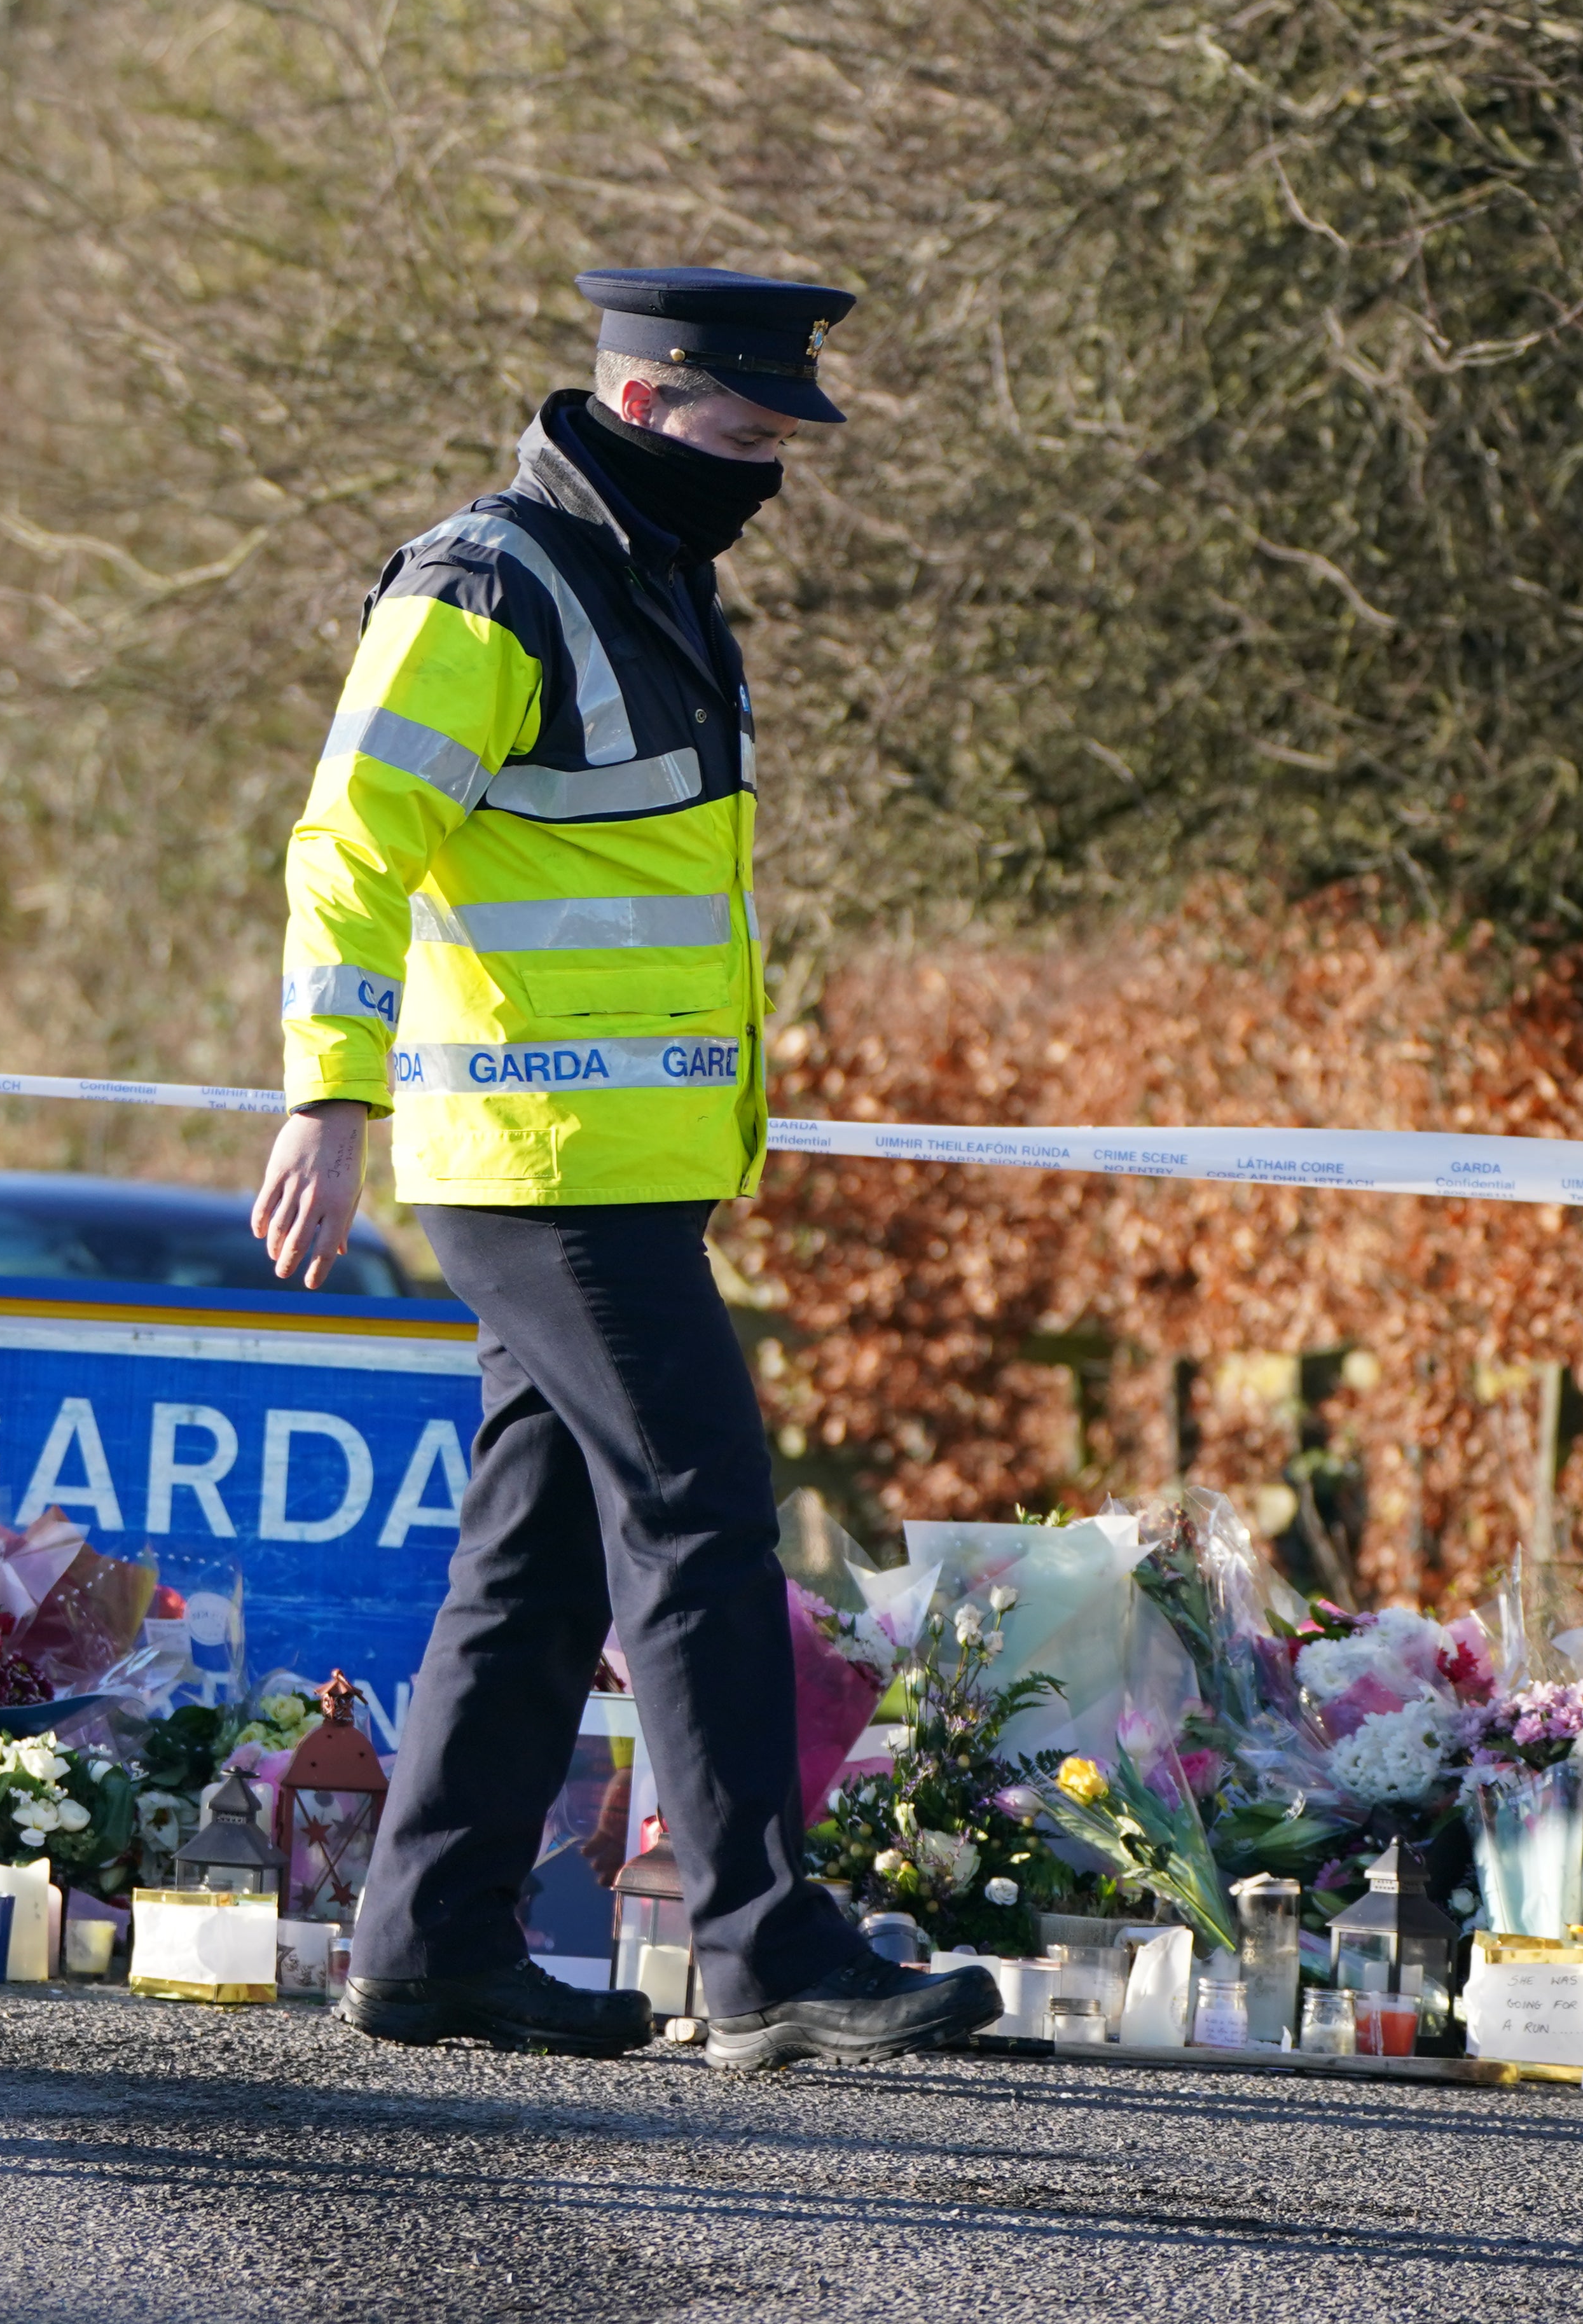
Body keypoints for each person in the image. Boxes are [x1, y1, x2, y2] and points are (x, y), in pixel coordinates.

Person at [251, 267, 1002, 2073]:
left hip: (611, 1155)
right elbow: (349, 848)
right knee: (702, 1506)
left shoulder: (646, 576)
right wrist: (323, 1098)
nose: (771, 476)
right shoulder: (487, 585)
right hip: (535, 1154)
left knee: (543, 1562)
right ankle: (764, 1949)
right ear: (650, 407)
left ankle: (430, 1943)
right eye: (749, 437)